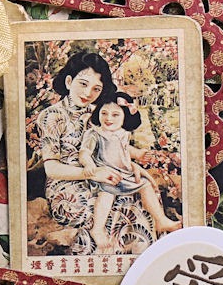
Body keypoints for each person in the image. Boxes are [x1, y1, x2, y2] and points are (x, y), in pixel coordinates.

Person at [35, 51, 154, 255]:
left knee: (136, 195)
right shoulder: (52, 116)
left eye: (96, 89)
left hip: (102, 176)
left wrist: (131, 165)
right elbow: (52, 168)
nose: (88, 93)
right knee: (109, 208)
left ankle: (138, 259)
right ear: (69, 81)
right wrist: (91, 173)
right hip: (66, 185)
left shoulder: (97, 114)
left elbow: (110, 147)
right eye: (83, 84)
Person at [78, 91, 181, 252]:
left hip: (124, 173)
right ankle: (97, 228)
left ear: (125, 117)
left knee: (145, 185)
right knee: (106, 194)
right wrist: (89, 164)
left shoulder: (122, 133)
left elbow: (125, 150)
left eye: (115, 115)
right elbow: (84, 153)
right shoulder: (95, 134)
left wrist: (138, 154)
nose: (108, 118)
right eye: (104, 113)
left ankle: (161, 219)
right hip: (105, 174)